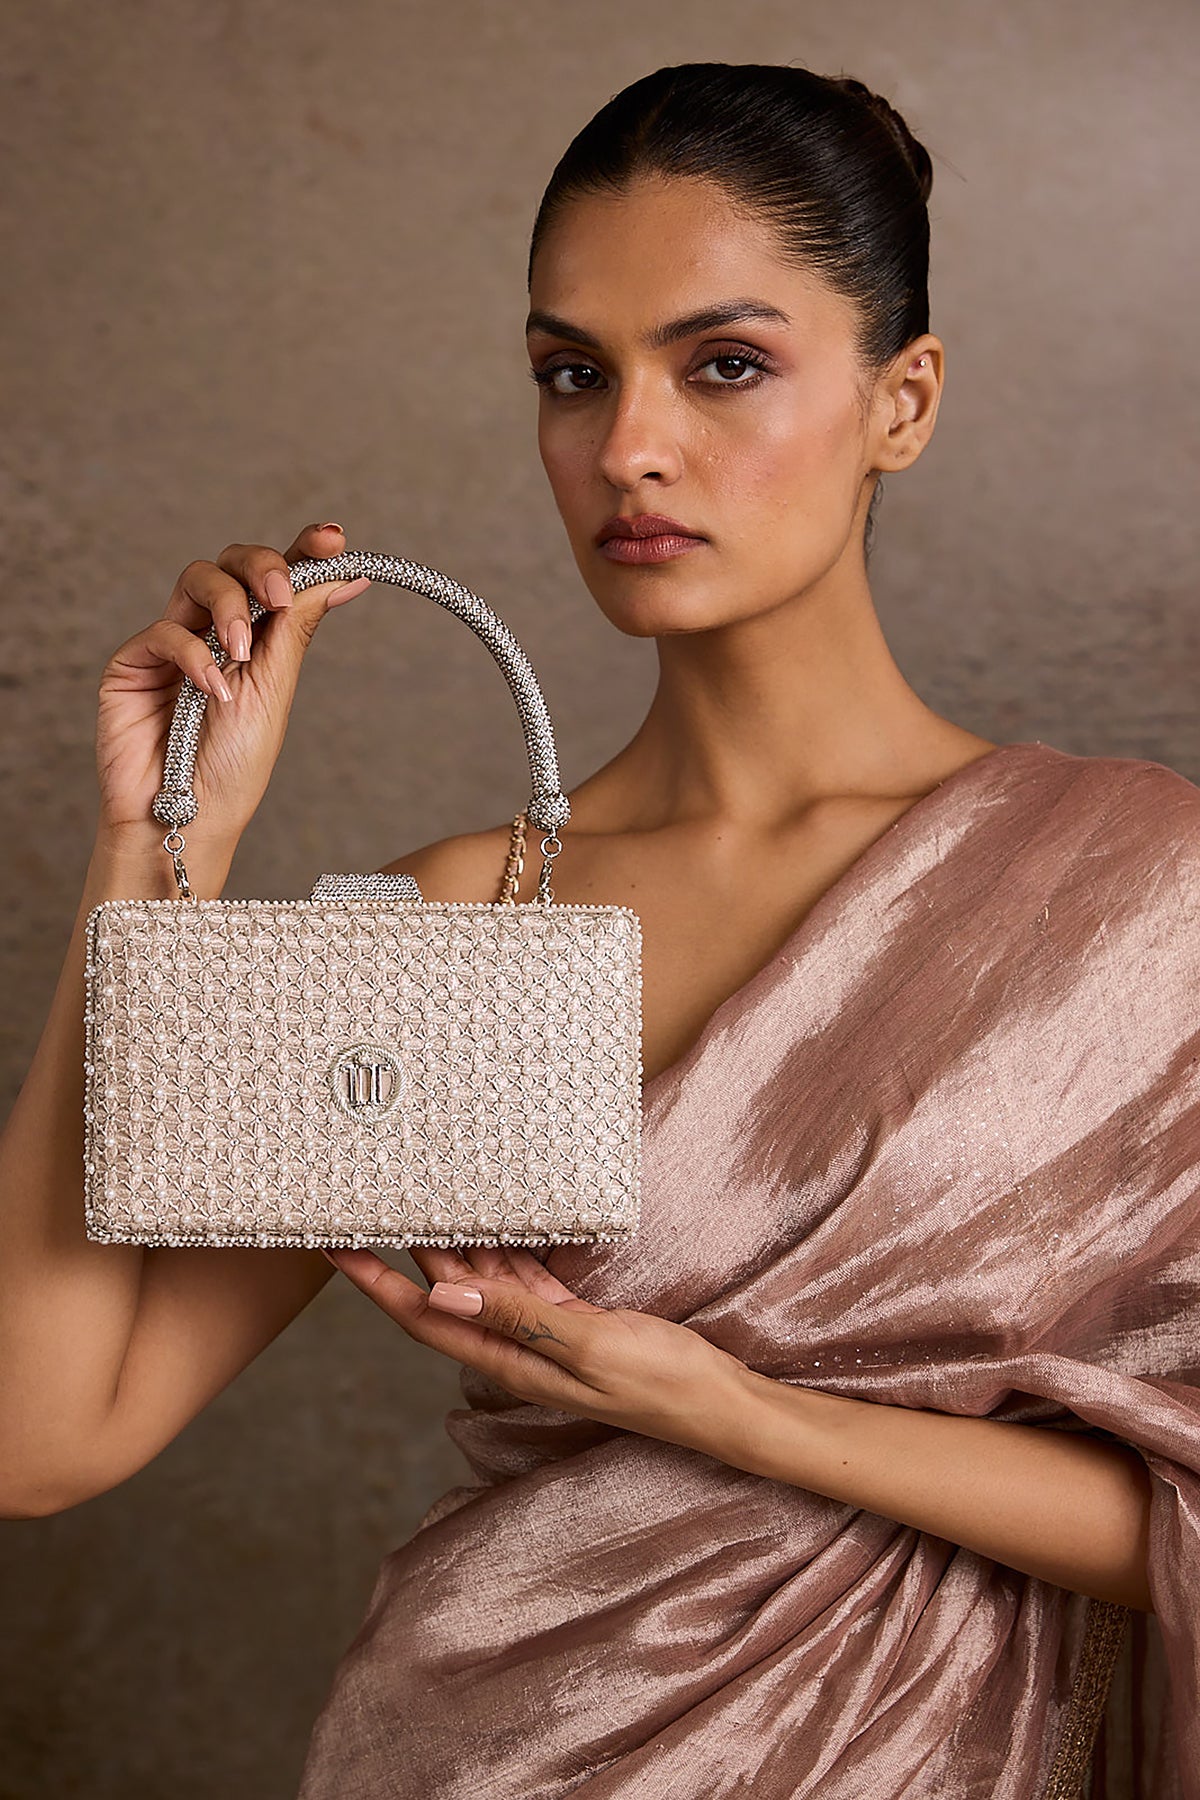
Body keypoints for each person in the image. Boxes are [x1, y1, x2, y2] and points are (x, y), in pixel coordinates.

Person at [1, 58, 1197, 1799]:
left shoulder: (1142, 896)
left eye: (725, 365)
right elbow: (41, 1432)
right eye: (574, 374)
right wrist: (158, 832)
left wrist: (728, 1411)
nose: (628, 446)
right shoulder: (464, 922)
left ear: (904, 400)